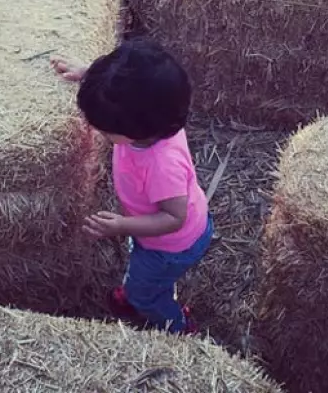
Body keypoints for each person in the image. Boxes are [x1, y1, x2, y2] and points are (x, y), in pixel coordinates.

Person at [52, 37, 213, 335]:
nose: (99, 130)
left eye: (106, 129)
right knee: (142, 271)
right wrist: (91, 78)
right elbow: (128, 88)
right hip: (158, 238)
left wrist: (123, 226)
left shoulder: (161, 164)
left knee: (147, 293)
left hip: (170, 246)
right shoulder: (157, 115)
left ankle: (175, 324)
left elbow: (173, 218)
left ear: (135, 128)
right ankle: (141, 287)